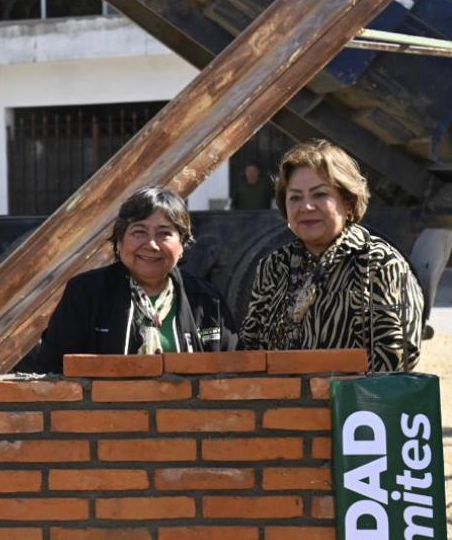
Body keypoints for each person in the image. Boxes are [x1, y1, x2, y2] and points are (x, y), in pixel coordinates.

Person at [239, 139, 422, 371]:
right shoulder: (274, 265)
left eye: (319, 194)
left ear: (348, 202)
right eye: (295, 197)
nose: (306, 206)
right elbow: (251, 346)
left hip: (356, 395)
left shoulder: (379, 264)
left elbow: (396, 360)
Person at [24, 186, 237, 373]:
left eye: (164, 233)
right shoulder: (85, 293)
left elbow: (233, 371)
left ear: (182, 244)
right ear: (119, 241)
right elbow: (53, 370)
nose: (151, 245)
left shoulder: (207, 300)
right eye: (139, 232)